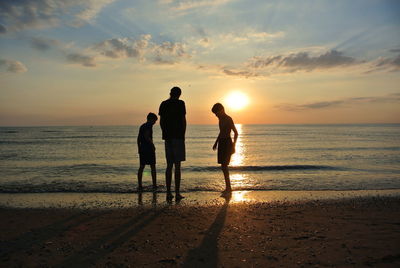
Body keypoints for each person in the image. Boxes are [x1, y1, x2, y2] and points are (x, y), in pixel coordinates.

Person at [159, 86, 186, 201]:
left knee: (169, 165)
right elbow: (183, 120)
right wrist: (183, 135)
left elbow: (161, 122)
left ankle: (169, 193)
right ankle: (177, 192)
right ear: (179, 94)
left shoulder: (163, 104)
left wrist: (165, 133)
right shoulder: (180, 103)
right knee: (177, 166)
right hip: (178, 137)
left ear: (170, 93)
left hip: (168, 137)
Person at [211, 103, 238, 196]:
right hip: (221, 142)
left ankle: (228, 188)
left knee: (224, 166)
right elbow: (221, 132)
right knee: (223, 167)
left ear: (221, 110)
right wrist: (216, 142)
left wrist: (234, 145)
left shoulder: (228, 119)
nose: (216, 115)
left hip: (227, 143)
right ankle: (228, 187)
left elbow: (236, 133)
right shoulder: (220, 119)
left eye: (216, 113)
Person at [137, 112, 158, 192]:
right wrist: (153, 145)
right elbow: (147, 136)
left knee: (141, 167)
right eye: (154, 121)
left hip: (142, 149)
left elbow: (138, 139)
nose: (155, 123)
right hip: (148, 149)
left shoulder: (142, 126)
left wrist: (139, 148)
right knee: (153, 167)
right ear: (151, 119)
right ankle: (154, 185)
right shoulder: (149, 126)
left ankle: (140, 185)